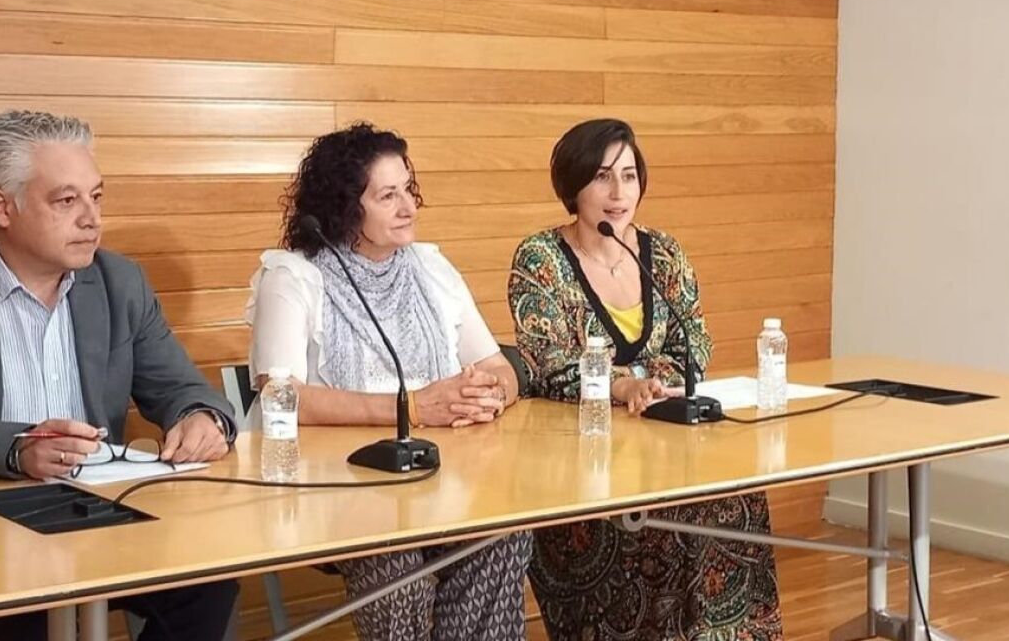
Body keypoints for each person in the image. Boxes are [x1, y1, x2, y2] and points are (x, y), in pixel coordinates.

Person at [0, 110, 239, 641]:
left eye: (96, 197)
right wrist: (17, 448)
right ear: (3, 207)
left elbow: (181, 387)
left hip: (104, 516)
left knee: (209, 582)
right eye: (66, 201)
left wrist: (203, 417)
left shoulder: (120, 283)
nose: (91, 219)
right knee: (30, 612)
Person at [246, 122, 533, 640]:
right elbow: (280, 397)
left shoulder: (430, 267)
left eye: (408, 189)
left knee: (504, 533)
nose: (409, 207)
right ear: (344, 206)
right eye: (387, 196)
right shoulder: (294, 276)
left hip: (443, 478)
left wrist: (487, 396)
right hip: (339, 489)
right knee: (394, 558)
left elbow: (500, 367)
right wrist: (414, 408)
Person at [508, 118, 783, 640]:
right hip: (583, 460)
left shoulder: (664, 253)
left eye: (629, 176)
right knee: (658, 526)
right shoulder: (540, 258)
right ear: (574, 185)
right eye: (602, 177)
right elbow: (546, 362)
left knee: (737, 496)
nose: (619, 194)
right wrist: (622, 386)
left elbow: (694, 343)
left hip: (668, 445)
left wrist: (649, 386)